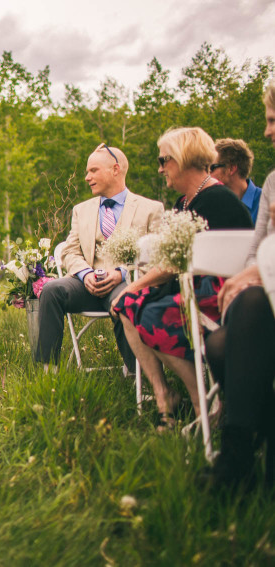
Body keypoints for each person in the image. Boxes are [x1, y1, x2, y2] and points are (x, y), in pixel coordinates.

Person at [113, 127, 253, 430]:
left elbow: (179, 263)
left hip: (218, 294)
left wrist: (136, 283)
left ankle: (205, 403)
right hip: (187, 287)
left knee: (148, 312)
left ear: (184, 158)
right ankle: (165, 395)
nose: (160, 168)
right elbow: (173, 262)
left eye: (164, 160)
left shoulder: (218, 200)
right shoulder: (184, 202)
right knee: (126, 306)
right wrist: (135, 288)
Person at [199, 80, 275, 488]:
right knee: (218, 341)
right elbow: (255, 252)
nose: (267, 131)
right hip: (267, 296)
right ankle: (241, 454)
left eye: (272, 120)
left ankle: (238, 455)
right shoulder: (274, 184)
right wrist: (247, 276)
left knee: (241, 320)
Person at [35, 144, 164, 372]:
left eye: (93, 170)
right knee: (51, 290)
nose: (87, 177)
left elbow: (155, 254)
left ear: (115, 169)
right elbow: (70, 251)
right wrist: (85, 275)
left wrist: (121, 273)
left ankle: (140, 378)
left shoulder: (151, 209)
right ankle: (48, 374)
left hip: (125, 285)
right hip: (86, 286)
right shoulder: (81, 210)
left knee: (124, 302)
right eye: (87, 171)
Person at [210, 138, 261, 223]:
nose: (207, 174)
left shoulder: (267, 203)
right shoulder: (211, 204)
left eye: (212, 168)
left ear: (231, 169)